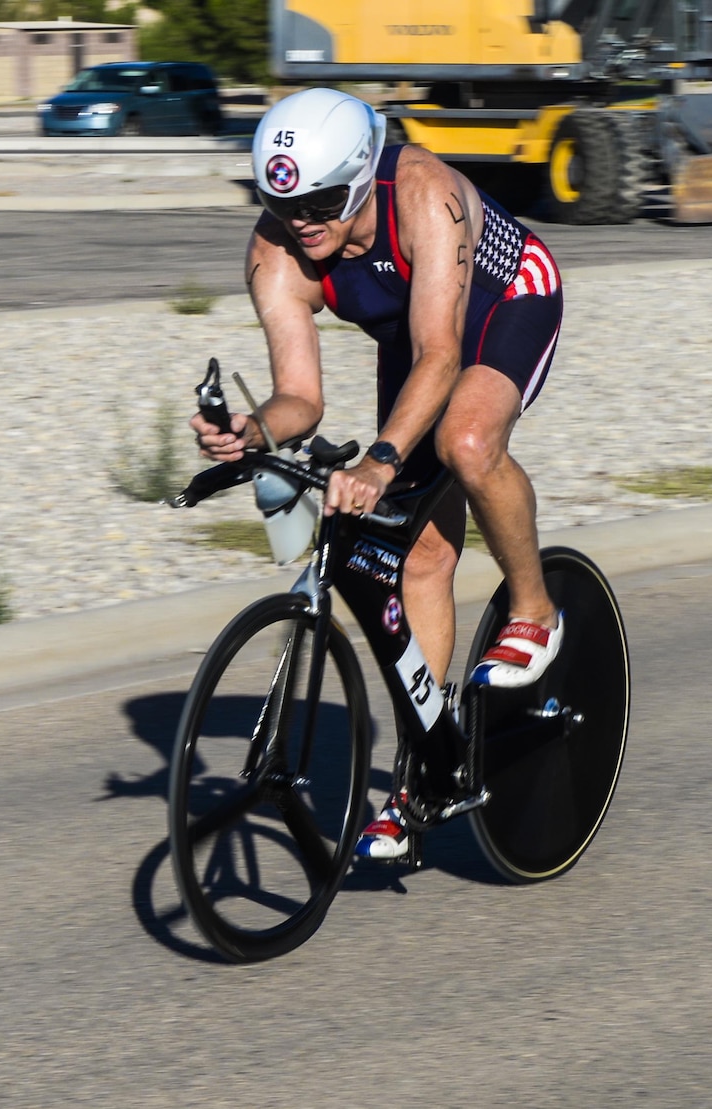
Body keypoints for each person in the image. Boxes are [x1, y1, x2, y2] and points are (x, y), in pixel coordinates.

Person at [190, 87, 565, 860]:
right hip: (418, 337)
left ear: (362, 177)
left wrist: (383, 457)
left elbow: (443, 355)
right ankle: (422, 777)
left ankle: (535, 610)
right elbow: (301, 397)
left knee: (465, 440)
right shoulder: (276, 250)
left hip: (505, 304)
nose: (302, 220)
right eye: (281, 201)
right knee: (418, 556)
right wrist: (251, 431)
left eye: (323, 200)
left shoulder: (421, 193)